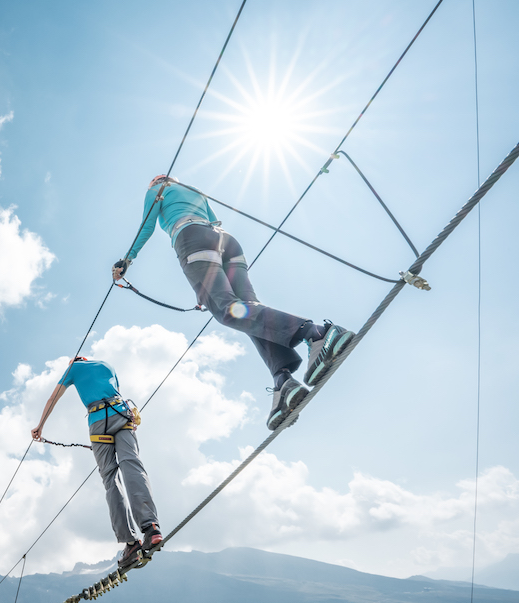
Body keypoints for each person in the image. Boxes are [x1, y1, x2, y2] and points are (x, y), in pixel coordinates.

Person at [112, 175, 355, 431]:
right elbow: (214, 220)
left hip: (191, 238)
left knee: (228, 310)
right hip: (225, 241)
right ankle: (282, 380)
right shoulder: (194, 191)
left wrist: (126, 261)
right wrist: (209, 284)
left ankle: (317, 334)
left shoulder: (158, 189)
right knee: (246, 307)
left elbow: (147, 226)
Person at [32, 356, 162, 569]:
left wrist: (40, 426)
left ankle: (130, 543)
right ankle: (151, 528)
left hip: (98, 421)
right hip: (122, 414)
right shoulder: (108, 364)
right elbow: (117, 391)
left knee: (111, 478)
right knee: (132, 465)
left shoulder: (73, 368)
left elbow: (52, 399)